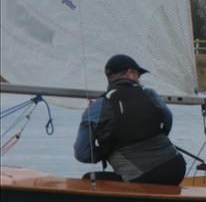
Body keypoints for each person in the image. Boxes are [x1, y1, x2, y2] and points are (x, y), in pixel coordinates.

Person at [74, 54, 186, 185]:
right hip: (177, 168)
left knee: (89, 179)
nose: (139, 80)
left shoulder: (97, 107)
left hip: (142, 177)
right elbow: (167, 121)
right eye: (139, 75)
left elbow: (82, 154)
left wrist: (106, 150)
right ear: (130, 73)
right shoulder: (150, 94)